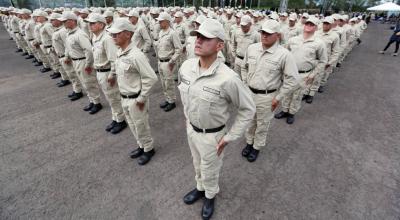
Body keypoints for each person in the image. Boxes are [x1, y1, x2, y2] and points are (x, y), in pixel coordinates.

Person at [178, 18, 256, 220]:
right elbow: (187, 99)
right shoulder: (186, 67)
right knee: (197, 163)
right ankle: (200, 188)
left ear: (219, 45)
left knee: (210, 169)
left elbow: (248, 109)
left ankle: (210, 196)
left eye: (206, 38)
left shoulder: (228, 78)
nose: (198, 40)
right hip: (192, 130)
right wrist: (188, 120)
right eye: (198, 36)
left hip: (213, 136)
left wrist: (230, 137)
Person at [241, 19, 300, 162]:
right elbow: (244, 67)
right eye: (262, 32)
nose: (264, 36)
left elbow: (293, 79)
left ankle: (256, 147)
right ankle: (249, 143)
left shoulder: (284, 54)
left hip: (267, 97)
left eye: (268, 33)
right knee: (249, 122)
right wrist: (244, 84)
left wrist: (278, 98)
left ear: (277, 35)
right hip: (249, 93)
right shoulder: (252, 48)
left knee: (262, 124)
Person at [108, 18, 158, 165]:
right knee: (132, 125)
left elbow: (151, 78)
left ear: (127, 34)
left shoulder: (136, 55)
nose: (113, 37)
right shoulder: (120, 52)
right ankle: (141, 146)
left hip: (136, 99)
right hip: (124, 97)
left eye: (117, 34)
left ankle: (149, 149)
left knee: (141, 125)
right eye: (113, 34)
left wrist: (142, 98)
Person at [275, 16, 327, 124]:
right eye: (307, 23)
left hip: (304, 75)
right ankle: (284, 110)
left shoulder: (319, 43)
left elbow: (323, 61)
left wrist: (313, 74)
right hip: (289, 73)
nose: (308, 26)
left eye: (312, 24)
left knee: (297, 96)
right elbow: (284, 53)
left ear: (316, 27)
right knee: (286, 93)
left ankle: (291, 113)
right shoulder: (293, 40)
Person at [86, 13, 127, 134]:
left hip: (108, 73)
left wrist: (112, 75)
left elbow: (114, 60)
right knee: (109, 97)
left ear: (101, 24)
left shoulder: (107, 38)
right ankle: (115, 118)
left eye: (93, 23)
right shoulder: (95, 37)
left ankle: (121, 120)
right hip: (100, 72)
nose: (90, 25)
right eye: (89, 23)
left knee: (114, 97)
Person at [62, 11, 103, 113]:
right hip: (76, 61)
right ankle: (92, 101)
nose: (63, 23)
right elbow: (68, 47)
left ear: (72, 21)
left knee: (89, 83)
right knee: (84, 83)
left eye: (65, 21)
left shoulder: (80, 34)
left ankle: (97, 103)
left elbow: (88, 50)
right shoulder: (69, 33)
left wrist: (88, 64)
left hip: (83, 61)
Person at [156, 12, 182, 112]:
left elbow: (178, 49)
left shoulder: (172, 33)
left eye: (161, 21)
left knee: (169, 83)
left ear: (167, 21)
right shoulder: (161, 32)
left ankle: (172, 101)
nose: (159, 23)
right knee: (163, 82)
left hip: (168, 62)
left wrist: (172, 61)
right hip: (160, 61)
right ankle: (167, 99)